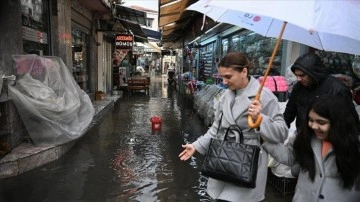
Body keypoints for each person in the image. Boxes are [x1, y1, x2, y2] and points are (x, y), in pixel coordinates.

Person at [179, 52, 288, 202]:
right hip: (222, 160)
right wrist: (196, 146)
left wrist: (261, 119)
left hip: (247, 163)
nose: (224, 82)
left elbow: (281, 133)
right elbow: (216, 129)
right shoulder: (225, 96)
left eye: (228, 77)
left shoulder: (265, 97)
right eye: (222, 76)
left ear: (244, 72)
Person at [263, 95, 360, 202]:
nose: (313, 126)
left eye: (321, 122)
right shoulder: (304, 137)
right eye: (311, 120)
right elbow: (290, 157)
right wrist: (265, 141)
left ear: (338, 123)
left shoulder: (354, 146)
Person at [283, 53, 359, 129]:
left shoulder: (338, 90)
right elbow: (289, 114)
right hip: (304, 136)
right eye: (297, 75)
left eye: (302, 75)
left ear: (313, 73)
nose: (298, 79)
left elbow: (350, 121)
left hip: (330, 138)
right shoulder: (299, 87)